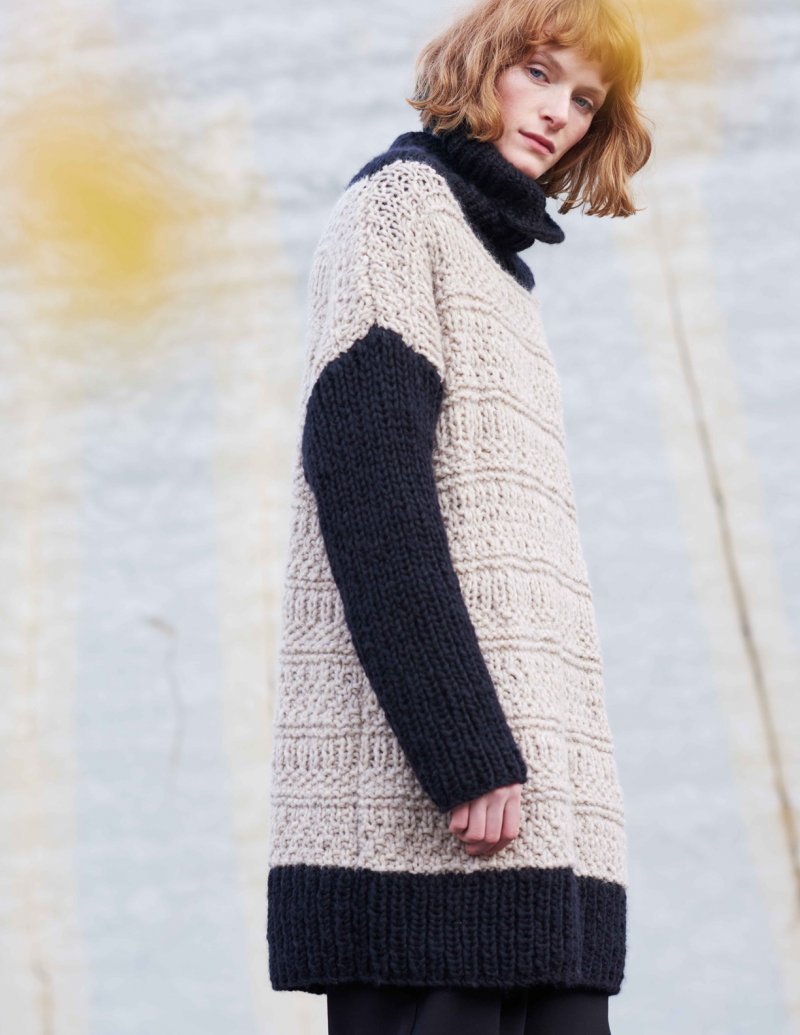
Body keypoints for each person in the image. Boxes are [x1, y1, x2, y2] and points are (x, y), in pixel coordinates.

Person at [266, 0, 652, 1031]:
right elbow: (368, 484)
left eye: (584, 100)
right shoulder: (398, 210)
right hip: (441, 827)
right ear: (481, 65)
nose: (559, 112)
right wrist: (461, 749)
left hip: (537, 832)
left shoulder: (498, 269)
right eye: (540, 73)